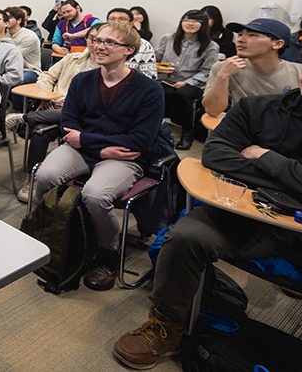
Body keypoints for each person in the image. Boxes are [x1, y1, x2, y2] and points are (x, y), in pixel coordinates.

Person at [112, 63, 302, 369]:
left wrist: (265, 156)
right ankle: (167, 324)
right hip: (247, 212)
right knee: (185, 236)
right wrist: (288, 180)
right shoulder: (258, 108)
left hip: (294, 227)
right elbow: (215, 154)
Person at [33, 22, 166, 291]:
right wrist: (99, 145)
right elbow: (69, 124)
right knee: (45, 175)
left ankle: (108, 253)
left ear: (129, 50)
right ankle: (54, 234)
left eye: (109, 42)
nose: (99, 46)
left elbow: (140, 140)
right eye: (97, 40)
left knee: (95, 194)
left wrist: (89, 141)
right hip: (86, 149)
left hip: (124, 158)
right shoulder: (82, 81)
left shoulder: (150, 90)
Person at [9, 23, 102, 203]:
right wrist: (46, 96)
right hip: (53, 109)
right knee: (40, 132)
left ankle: (25, 118)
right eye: (92, 39)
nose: (96, 44)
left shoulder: (109, 69)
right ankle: (33, 177)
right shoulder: (73, 58)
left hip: (83, 119)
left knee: (65, 113)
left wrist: (65, 103)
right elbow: (47, 76)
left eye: (101, 40)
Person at [202, 17, 301, 117]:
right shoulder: (224, 68)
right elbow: (212, 110)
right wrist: (223, 76)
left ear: (277, 44)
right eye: (240, 34)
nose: (240, 40)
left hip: (284, 129)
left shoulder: (298, 72)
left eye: (252, 35)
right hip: (244, 128)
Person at [157, 9, 219, 150]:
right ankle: (159, 128)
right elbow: (158, 57)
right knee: (159, 91)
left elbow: (207, 71)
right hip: (168, 78)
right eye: (186, 20)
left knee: (182, 94)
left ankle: (187, 132)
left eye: (195, 21)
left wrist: (187, 82)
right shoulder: (168, 38)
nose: (190, 23)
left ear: (203, 25)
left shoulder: (210, 46)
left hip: (194, 82)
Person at [6, 6, 42, 111]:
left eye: (9, 18)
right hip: (11, 68)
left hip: (30, 71)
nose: (5, 21)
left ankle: (19, 114)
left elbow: (11, 57)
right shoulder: (6, 34)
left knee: (17, 81)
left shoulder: (29, 36)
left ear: (19, 20)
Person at [104, 7, 157, 79]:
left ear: (131, 23)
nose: (116, 22)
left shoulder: (144, 45)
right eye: (112, 19)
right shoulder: (98, 43)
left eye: (122, 19)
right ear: (107, 23)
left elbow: (151, 76)